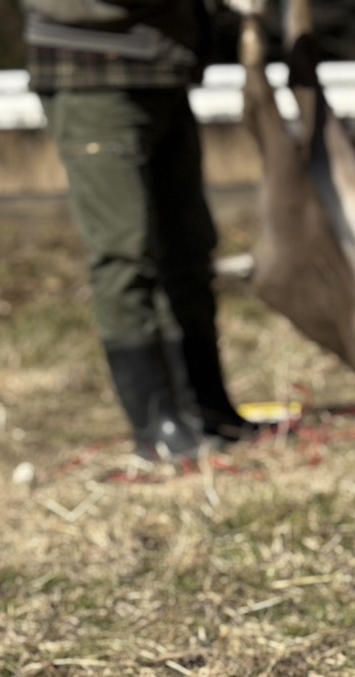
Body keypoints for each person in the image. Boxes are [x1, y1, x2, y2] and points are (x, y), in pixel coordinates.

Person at [22, 0, 254, 459]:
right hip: (92, 75)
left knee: (188, 248)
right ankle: (157, 425)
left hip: (161, 69)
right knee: (126, 252)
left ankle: (207, 409)